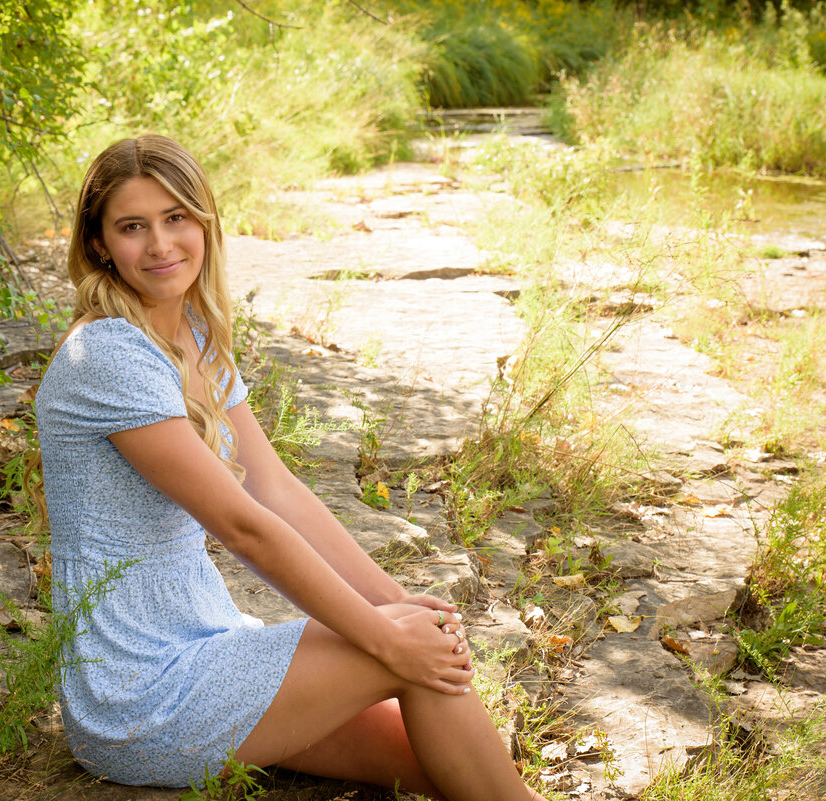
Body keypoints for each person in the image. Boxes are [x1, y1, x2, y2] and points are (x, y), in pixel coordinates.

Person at [34, 135, 546, 801]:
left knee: (454, 764)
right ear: (100, 243)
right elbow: (244, 525)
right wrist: (387, 637)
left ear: (205, 223)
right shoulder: (109, 354)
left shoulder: (190, 332)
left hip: (209, 644)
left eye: (176, 218)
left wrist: (391, 600)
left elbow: (275, 488)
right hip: (139, 694)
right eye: (133, 227)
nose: (160, 244)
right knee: (417, 656)